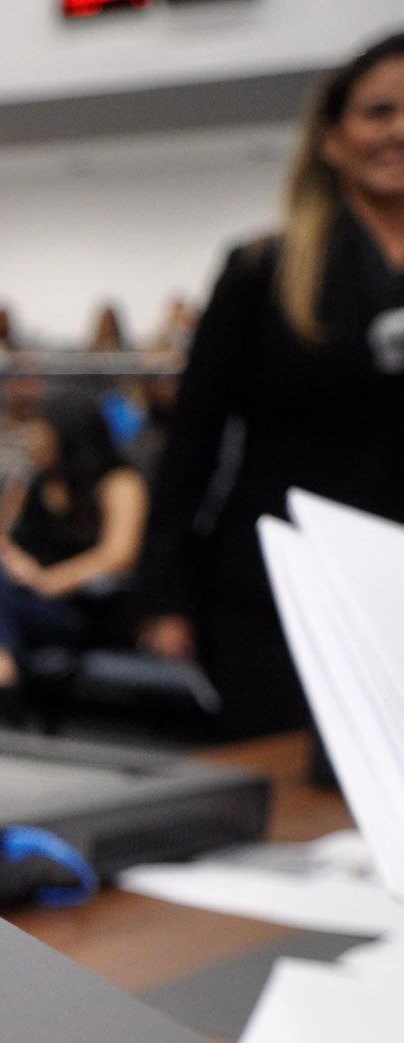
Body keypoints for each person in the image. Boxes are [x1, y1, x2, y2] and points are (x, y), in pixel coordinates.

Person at [138, 31, 404, 737]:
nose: (399, 131)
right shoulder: (262, 269)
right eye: (379, 111)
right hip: (278, 591)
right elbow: (193, 438)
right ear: (332, 138)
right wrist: (164, 594)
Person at [0, 396, 150, 711]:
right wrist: (14, 560)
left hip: (85, 605)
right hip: (28, 598)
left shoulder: (118, 482)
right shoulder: (36, 483)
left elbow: (119, 554)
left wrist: (47, 580)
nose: (31, 442)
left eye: (40, 433)